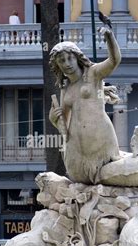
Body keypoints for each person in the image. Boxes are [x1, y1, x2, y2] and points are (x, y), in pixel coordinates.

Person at [48, 27, 122, 184]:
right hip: (78, 150)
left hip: (101, 141)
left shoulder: (93, 73)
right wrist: (54, 119)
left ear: (77, 58)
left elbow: (114, 60)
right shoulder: (64, 88)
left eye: (70, 58)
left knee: (110, 177)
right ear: (57, 65)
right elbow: (64, 126)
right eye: (61, 60)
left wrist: (109, 37)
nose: (67, 63)